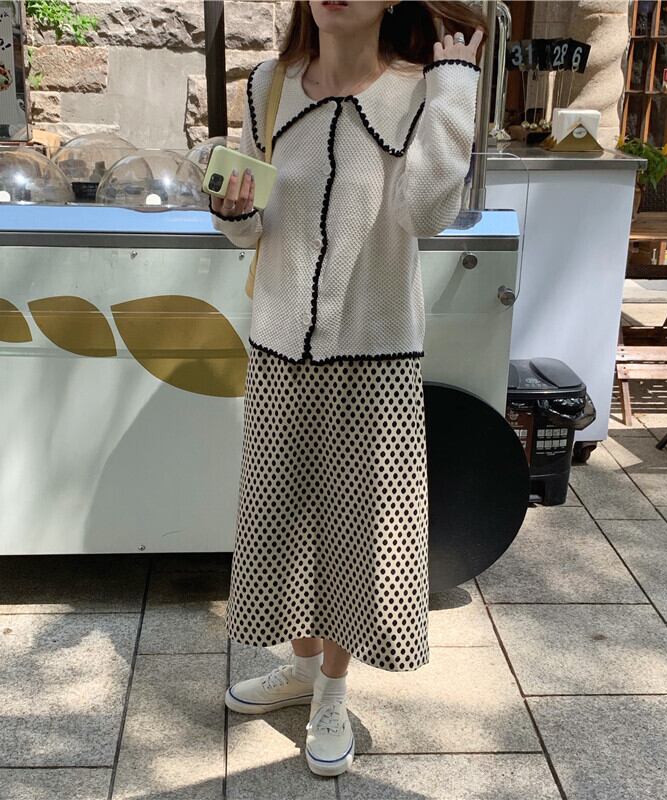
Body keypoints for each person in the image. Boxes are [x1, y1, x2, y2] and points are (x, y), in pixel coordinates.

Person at [210, 0, 484, 778]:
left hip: (375, 357)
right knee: (284, 520)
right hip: (279, 351)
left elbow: (425, 211)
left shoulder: (420, 90)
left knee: (356, 532)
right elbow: (249, 226)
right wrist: (231, 211)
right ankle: (301, 668)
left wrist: (454, 87)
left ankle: (331, 690)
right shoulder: (267, 85)